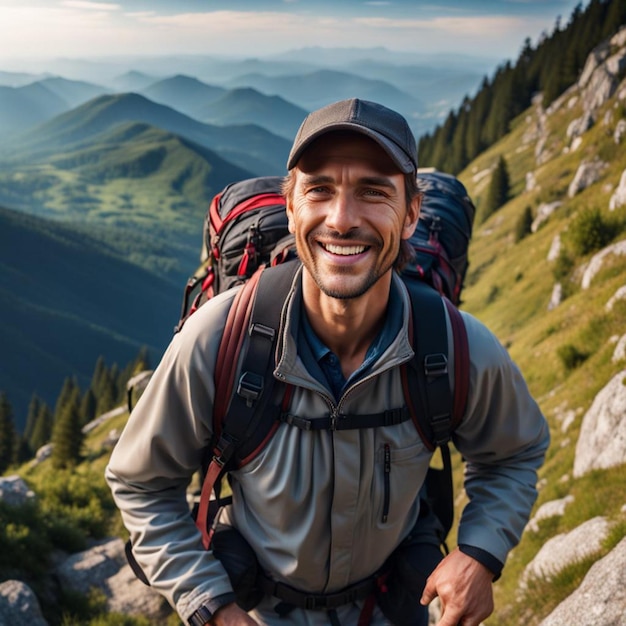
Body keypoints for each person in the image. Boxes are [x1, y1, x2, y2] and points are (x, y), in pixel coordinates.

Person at [105, 98, 550, 626]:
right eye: (319, 189)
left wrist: (479, 555)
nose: (342, 220)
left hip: (392, 607)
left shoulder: (453, 346)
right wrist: (212, 606)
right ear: (291, 207)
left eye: (374, 192)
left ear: (410, 215)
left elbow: (514, 455)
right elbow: (141, 483)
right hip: (257, 613)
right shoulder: (221, 341)